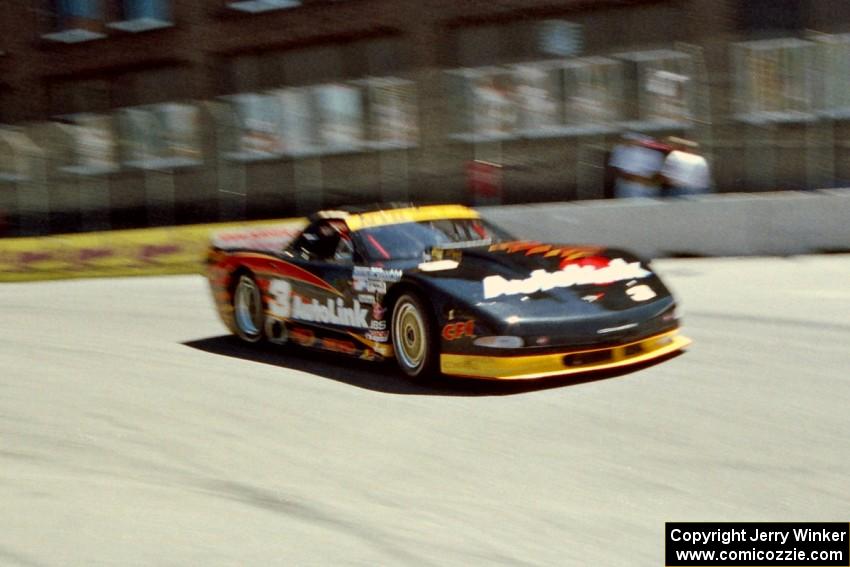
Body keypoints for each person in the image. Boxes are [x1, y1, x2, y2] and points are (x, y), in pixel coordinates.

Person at [609, 133, 667, 198]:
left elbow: (661, 174)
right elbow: (621, 173)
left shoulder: (657, 149)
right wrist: (647, 182)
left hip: (653, 192)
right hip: (631, 192)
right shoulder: (622, 147)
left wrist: (654, 182)